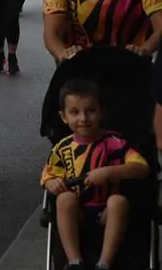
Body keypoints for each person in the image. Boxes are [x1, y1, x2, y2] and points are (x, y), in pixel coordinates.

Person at [41, 78, 150, 270]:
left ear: (101, 112)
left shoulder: (114, 142)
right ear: (64, 117)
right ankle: (75, 262)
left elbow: (142, 167)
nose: (83, 118)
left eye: (90, 111)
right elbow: (48, 174)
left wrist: (110, 172)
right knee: (64, 199)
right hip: (78, 210)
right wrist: (52, 183)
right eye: (75, 112)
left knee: (118, 202)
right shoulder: (63, 147)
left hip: (107, 209)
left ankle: (104, 264)